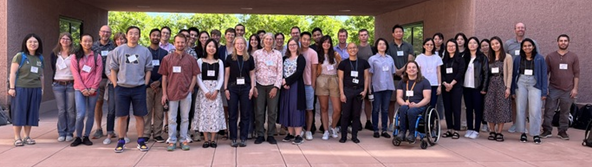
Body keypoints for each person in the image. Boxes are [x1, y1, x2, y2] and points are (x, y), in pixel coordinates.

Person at [109, 26, 153, 153]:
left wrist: (145, 84)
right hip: (121, 88)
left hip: (138, 88)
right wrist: (115, 84)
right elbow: (113, 68)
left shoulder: (145, 51)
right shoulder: (118, 50)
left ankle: (141, 141)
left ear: (139, 36)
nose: (133, 36)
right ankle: (121, 141)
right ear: (127, 35)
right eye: (131, 33)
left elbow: (148, 69)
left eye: (136, 34)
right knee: (122, 116)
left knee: (140, 115)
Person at [160, 34, 200, 151]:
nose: (180, 44)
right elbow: (164, 77)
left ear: (186, 43)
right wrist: (164, 94)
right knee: (172, 118)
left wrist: (191, 88)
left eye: (182, 42)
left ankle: (183, 140)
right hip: (171, 92)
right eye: (178, 42)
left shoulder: (191, 59)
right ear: (174, 42)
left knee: (185, 118)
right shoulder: (167, 59)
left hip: (186, 93)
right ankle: (172, 140)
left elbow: (194, 75)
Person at [8, 33, 45, 146]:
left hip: (35, 89)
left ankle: (27, 136)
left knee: (31, 112)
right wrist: (12, 87)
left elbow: (42, 75)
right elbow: (13, 73)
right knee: (19, 112)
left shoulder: (40, 58)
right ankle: (17, 137)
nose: (33, 44)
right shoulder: (20, 56)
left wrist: (42, 89)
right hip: (21, 88)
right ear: (25, 43)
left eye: (35, 42)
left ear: (38, 44)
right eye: (30, 42)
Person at [542, 34, 579, 140]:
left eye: (565, 40)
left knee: (565, 112)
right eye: (561, 40)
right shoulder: (550, 56)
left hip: (568, 89)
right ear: (557, 42)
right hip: (553, 88)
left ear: (568, 42)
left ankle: (562, 131)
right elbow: (546, 73)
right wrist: (546, 88)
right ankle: (547, 130)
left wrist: (575, 88)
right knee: (549, 110)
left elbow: (576, 74)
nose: (563, 42)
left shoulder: (573, 56)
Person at [510, 38, 547, 144]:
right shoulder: (518, 59)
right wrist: (513, 89)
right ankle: (522, 132)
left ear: (533, 46)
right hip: (521, 82)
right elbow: (514, 75)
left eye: (529, 45)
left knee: (535, 109)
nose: (527, 48)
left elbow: (544, 75)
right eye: (525, 46)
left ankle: (535, 133)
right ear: (522, 48)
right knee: (520, 108)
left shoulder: (540, 58)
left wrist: (544, 91)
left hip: (535, 83)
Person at [70, 34, 104, 147]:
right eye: (85, 41)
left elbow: (98, 74)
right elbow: (75, 74)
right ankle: (78, 136)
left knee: (90, 113)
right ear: (80, 42)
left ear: (92, 42)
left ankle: (86, 136)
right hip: (79, 89)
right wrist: (83, 88)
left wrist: (94, 87)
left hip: (93, 89)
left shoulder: (96, 56)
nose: (87, 43)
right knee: (80, 114)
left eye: (89, 41)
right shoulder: (75, 56)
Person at [224, 37, 256, 147]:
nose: (240, 45)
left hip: (246, 88)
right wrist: (225, 88)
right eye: (237, 43)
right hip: (232, 88)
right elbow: (227, 74)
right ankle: (233, 137)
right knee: (232, 114)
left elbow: (252, 74)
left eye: (242, 43)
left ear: (245, 45)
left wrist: (252, 88)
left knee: (245, 114)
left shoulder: (250, 58)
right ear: (234, 45)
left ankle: (243, 137)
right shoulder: (229, 58)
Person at [194, 39, 226, 148]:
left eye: (213, 46)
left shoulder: (220, 62)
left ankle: (213, 139)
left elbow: (221, 77)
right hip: (204, 91)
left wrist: (217, 90)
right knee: (204, 114)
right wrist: (205, 90)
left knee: (214, 114)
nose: (211, 48)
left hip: (215, 91)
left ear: (216, 49)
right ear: (205, 47)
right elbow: (197, 77)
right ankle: (206, 139)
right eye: (209, 46)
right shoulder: (199, 61)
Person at [252, 33, 283, 144]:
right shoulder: (257, 53)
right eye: (266, 39)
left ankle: (270, 134)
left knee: (272, 111)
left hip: (272, 85)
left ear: (273, 41)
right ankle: (260, 134)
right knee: (259, 111)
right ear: (263, 40)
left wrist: (276, 87)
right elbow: (253, 71)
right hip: (259, 85)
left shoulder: (278, 54)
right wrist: (254, 86)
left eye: (270, 39)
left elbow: (280, 72)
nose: (268, 41)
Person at [337, 43, 370, 143]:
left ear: (357, 49)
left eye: (354, 47)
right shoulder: (343, 64)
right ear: (347, 50)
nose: (352, 50)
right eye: (350, 48)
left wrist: (365, 90)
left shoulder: (363, 63)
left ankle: (354, 136)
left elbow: (366, 77)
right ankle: (343, 136)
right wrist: (342, 93)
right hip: (347, 90)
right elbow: (340, 79)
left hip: (359, 91)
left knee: (356, 114)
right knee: (345, 114)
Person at [102, 32, 131, 144]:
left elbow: (131, 69)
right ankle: (109, 134)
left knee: (125, 111)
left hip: (126, 85)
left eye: (122, 39)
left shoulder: (130, 54)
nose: (120, 41)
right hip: (113, 85)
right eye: (118, 39)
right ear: (115, 41)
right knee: (111, 110)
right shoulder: (111, 53)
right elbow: (107, 71)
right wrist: (115, 83)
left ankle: (124, 133)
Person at [483, 36, 513, 142]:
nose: (495, 46)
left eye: (497, 43)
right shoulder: (488, 57)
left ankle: (499, 132)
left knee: (501, 107)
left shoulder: (507, 57)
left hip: (501, 83)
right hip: (491, 84)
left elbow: (509, 73)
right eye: (493, 44)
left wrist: (508, 88)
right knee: (490, 106)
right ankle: (492, 130)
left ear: (500, 44)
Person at [279, 38, 307, 145]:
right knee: (287, 109)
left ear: (298, 46)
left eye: (294, 44)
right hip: (285, 87)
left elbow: (299, 72)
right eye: (290, 44)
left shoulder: (301, 58)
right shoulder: (284, 58)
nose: (292, 46)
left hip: (296, 87)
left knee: (296, 109)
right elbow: (280, 70)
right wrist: (283, 82)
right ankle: (290, 133)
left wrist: (287, 81)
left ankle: (298, 135)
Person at [387, 24, 414, 132]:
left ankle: (406, 123)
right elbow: (388, 60)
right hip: (393, 79)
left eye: (400, 31)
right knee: (392, 101)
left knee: (406, 101)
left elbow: (410, 60)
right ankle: (391, 123)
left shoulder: (408, 46)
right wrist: (396, 71)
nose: (399, 33)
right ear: (393, 34)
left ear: (403, 33)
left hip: (406, 78)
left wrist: (402, 70)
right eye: (396, 32)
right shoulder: (389, 46)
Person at [395, 61, 431, 143]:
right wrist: (404, 103)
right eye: (409, 68)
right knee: (403, 108)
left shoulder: (424, 82)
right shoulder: (402, 82)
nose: (412, 69)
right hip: (406, 104)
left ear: (417, 70)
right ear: (406, 71)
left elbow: (427, 98)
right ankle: (402, 132)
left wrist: (417, 105)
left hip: (420, 105)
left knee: (411, 111)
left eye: (414, 67)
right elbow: (399, 97)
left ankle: (412, 133)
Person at [142, 29, 167, 143]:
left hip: (161, 86)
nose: (156, 37)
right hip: (147, 86)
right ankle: (146, 133)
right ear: (150, 36)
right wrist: (151, 82)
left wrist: (159, 81)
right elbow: (141, 69)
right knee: (147, 111)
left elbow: (167, 71)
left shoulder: (164, 53)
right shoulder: (144, 51)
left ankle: (157, 133)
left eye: (158, 35)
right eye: (154, 35)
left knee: (159, 111)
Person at [91, 25, 116, 139]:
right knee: (98, 103)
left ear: (110, 34)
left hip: (111, 79)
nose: (105, 34)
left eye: (108, 32)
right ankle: (99, 128)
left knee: (111, 105)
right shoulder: (93, 46)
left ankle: (111, 129)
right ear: (99, 33)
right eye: (103, 32)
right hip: (98, 79)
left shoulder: (114, 46)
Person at [368, 38, 396, 138]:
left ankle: (384, 129)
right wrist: (369, 88)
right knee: (376, 109)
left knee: (385, 109)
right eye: (380, 44)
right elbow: (369, 75)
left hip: (388, 87)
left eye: (384, 44)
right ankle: (375, 129)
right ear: (377, 46)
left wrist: (392, 86)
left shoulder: (390, 58)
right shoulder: (372, 59)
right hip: (377, 87)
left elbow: (392, 73)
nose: (382, 46)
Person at [51, 32, 76, 142]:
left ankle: (70, 132)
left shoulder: (74, 54)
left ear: (71, 41)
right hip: (58, 84)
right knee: (61, 110)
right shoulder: (55, 53)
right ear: (60, 40)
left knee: (70, 109)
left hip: (71, 84)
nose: (65, 41)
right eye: (63, 38)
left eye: (67, 39)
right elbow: (53, 67)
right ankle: (61, 132)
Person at [462, 37, 489, 139]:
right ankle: (469, 128)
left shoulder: (482, 58)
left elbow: (486, 73)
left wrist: (484, 88)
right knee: (468, 108)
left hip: (477, 87)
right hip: (466, 87)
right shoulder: (465, 57)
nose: (472, 45)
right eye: (470, 43)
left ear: (478, 45)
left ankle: (476, 130)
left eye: (474, 43)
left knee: (478, 109)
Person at [441, 39, 465, 139]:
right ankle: (449, 129)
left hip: (456, 87)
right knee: (447, 109)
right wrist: (445, 83)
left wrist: (452, 84)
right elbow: (440, 73)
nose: (451, 48)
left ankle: (456, 130)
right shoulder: (443, 60)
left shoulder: (460, 59)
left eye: (453, 46)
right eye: (449, 46)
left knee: (456, 108)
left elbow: (460, 72)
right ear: (446, 48)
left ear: (456, 47)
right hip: (445, 87)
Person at [300, 32, 318, 140]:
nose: (306, 41)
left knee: (309, 109)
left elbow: (314, 70)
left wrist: (313, 84)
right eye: (304, 39)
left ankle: (308, 130)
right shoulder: (297, 51)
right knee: (299, 109)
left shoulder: (313, 53)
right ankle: (300, 129)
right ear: (301, 40)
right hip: (297, 85)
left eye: (308, 40)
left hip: (308, 85)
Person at [415, 38, 442, 108]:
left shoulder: (437, 57)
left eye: (431, 44)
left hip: (434, 84)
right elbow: (417, 72)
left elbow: (438, 72)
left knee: (432, 105)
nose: (429, 46)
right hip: (422, 84)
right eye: (427, 44)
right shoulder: (419, 57)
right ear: (424, 46)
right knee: (422, 104)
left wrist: (439, 86)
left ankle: (431, 119)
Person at [357, 29, 374, 131]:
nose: (363, 37)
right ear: (359, 37)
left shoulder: (372, 48)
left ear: (368, 36)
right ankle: (357, 120)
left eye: (365, 35)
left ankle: (368, 120)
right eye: (361, 35)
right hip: (358, 78)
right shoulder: (356, 48)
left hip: (370, 77)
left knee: (368, 101)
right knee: (358, 101)